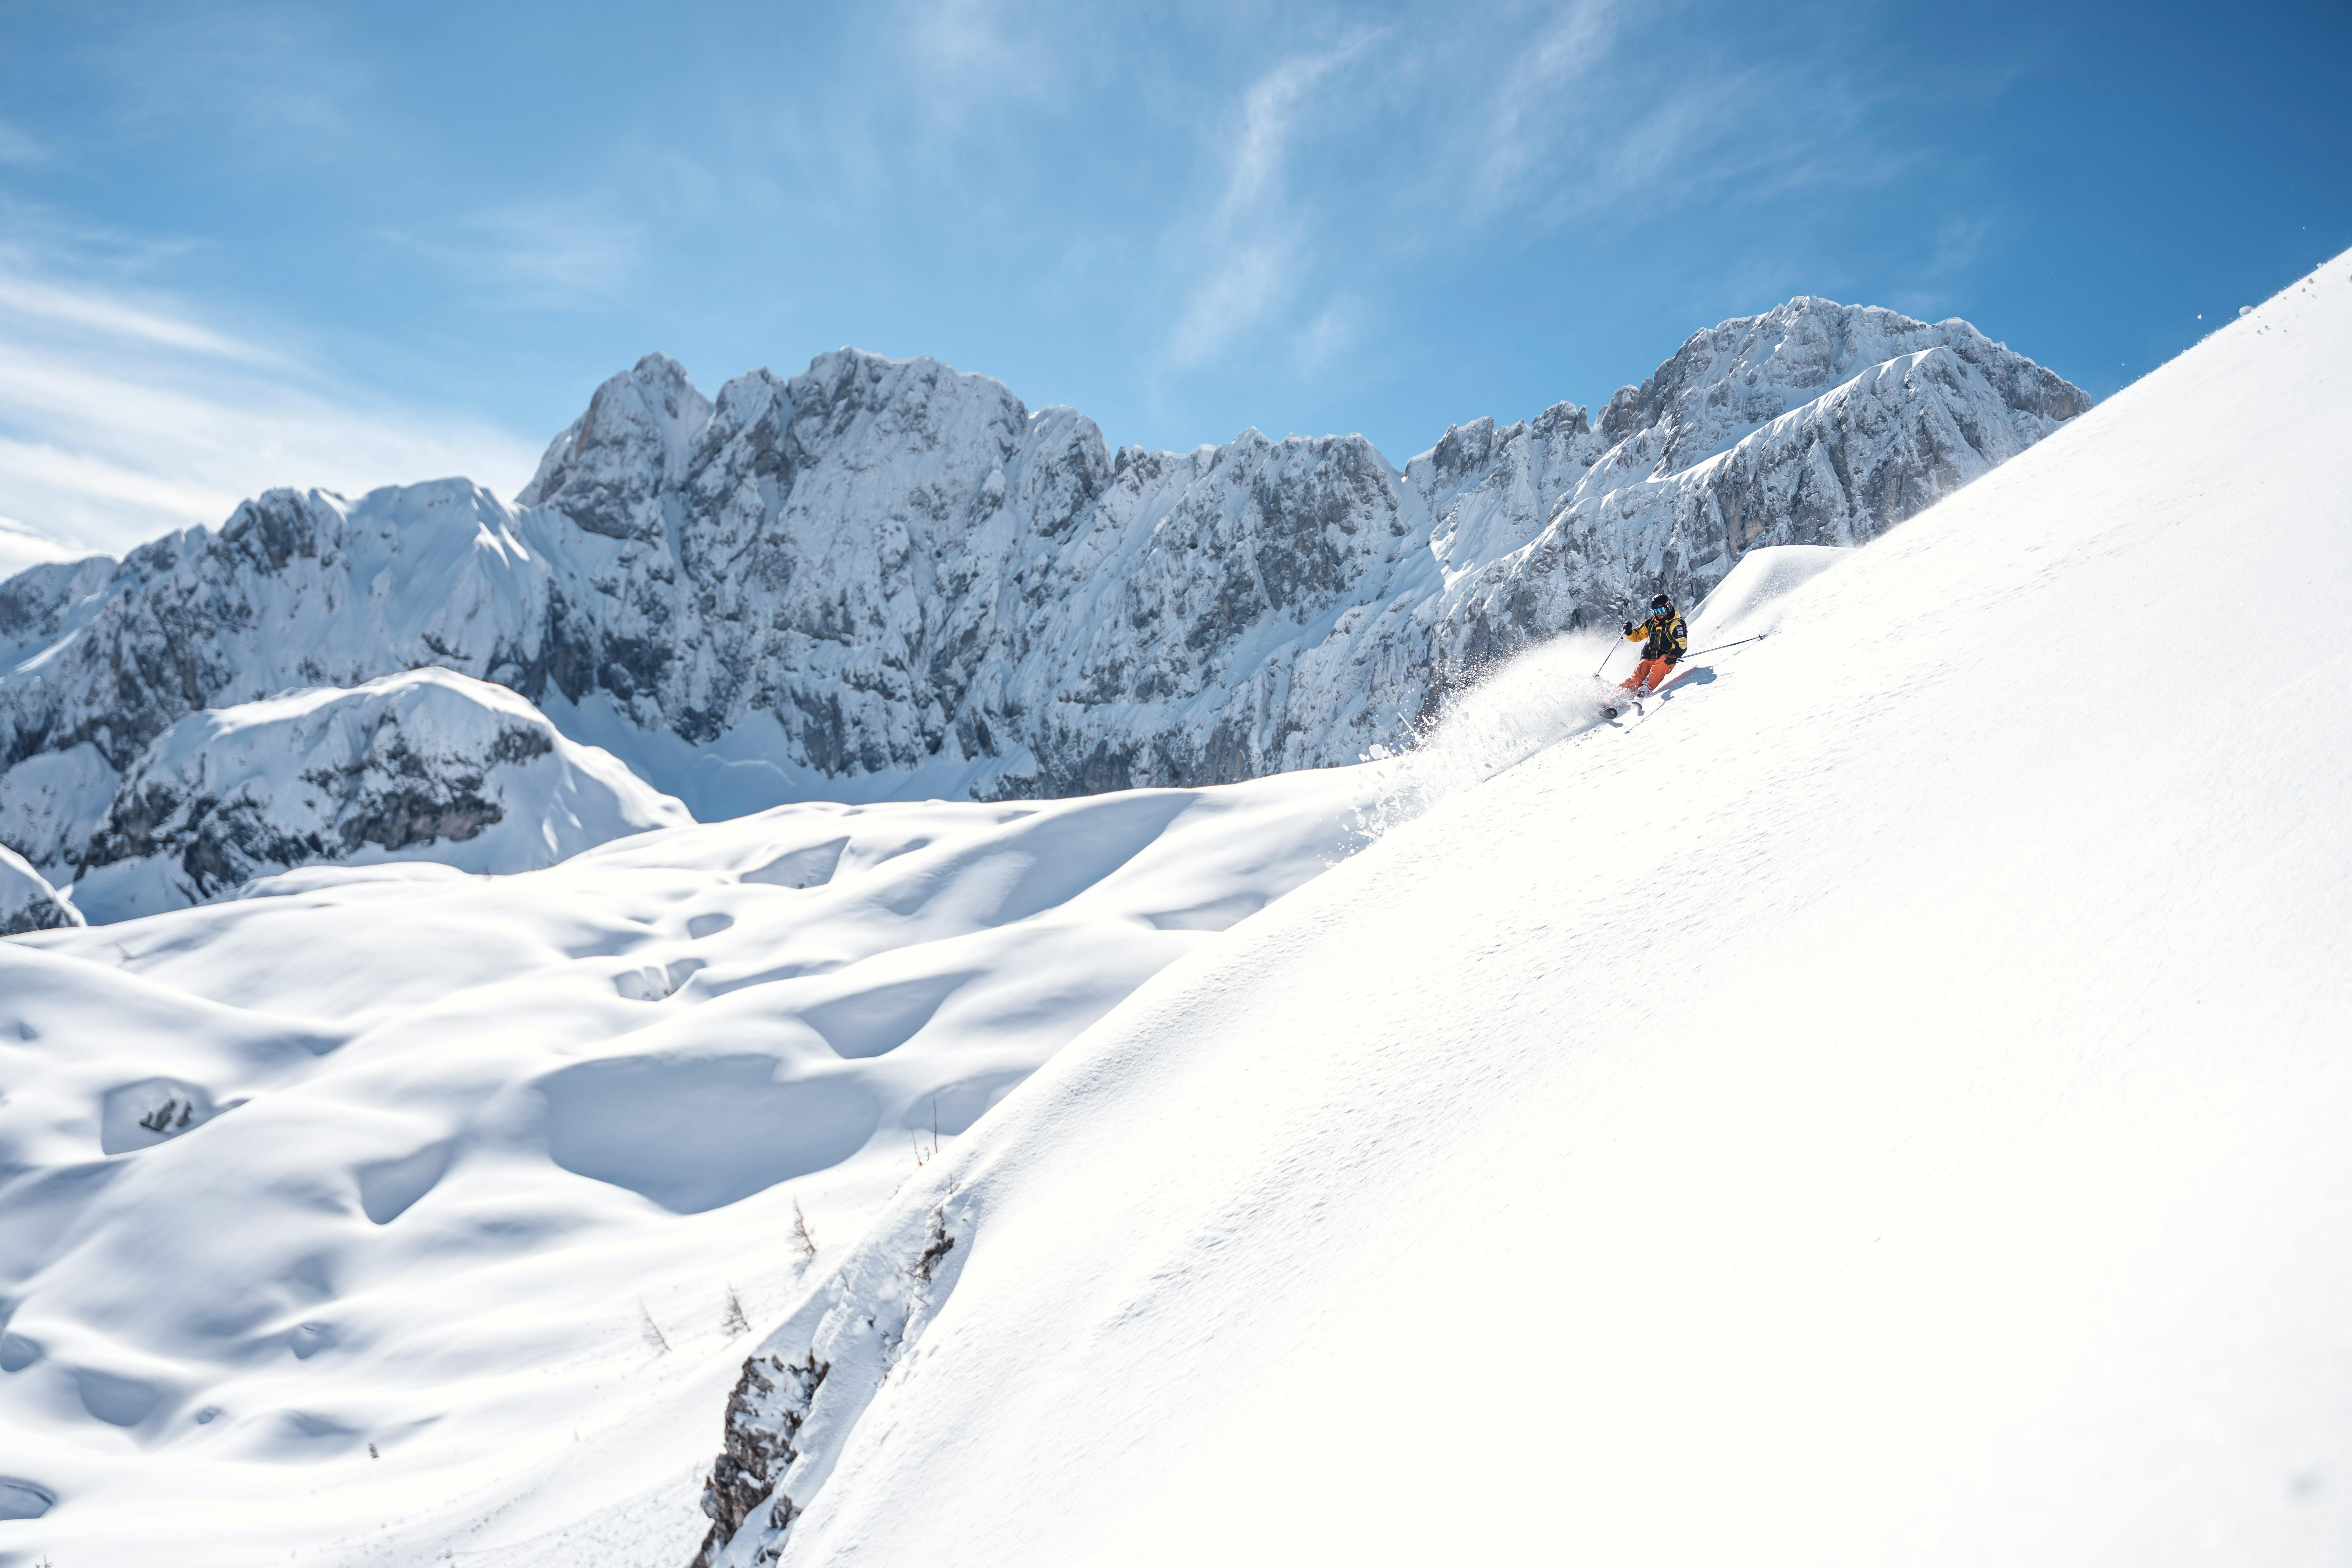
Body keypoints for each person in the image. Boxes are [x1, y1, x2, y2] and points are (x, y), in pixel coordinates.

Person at [1619, 592, 1688, 696]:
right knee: (1637, 680)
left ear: (1668, 607)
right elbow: (1637, 636)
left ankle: (1647, 688)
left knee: (1663, 661)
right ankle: (1617, 695)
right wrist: (1629, 632)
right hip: (1648, 657)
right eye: (1656, 612)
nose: (1659, 614)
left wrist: (1675, 655)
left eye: (1661, 611)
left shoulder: (1677, 623)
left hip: (1667, 658)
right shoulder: (1651, 622)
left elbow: (1682, 643)